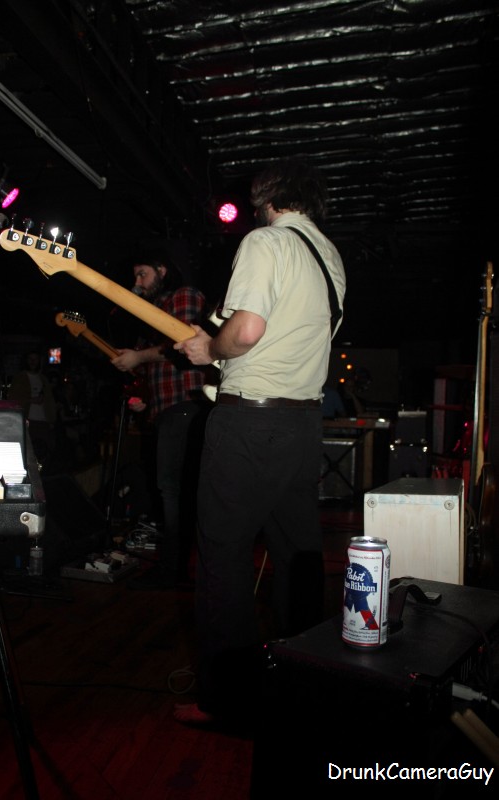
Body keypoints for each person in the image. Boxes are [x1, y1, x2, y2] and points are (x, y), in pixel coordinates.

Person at [172, 158, 346, 725]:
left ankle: (231, 700)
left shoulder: (266, 241)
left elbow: (246, 331)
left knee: (222, 556)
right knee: (298, 556)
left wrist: (209, 349)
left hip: (250, 422)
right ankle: (305, 683)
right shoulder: (330, 257)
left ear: (266, 195)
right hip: (303, 424)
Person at [111, 249, 208, 589]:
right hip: (169, 407)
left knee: (173, 490)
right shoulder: (156, 310)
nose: (137, 281)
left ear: (162, 270)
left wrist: (139, 357)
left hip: (186, 405)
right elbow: (161, 364)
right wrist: (146, 400)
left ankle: (175, 568)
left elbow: (184, 343)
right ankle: (177, 566)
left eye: (143, 274)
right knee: (171, 489)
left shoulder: (183, 295)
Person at [7, 350, 58, 467]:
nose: (33, 362)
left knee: (45, 452)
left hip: (43, 421)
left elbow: (49, 400)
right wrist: (31, 400)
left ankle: (43, 474)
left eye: (35, 359)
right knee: (27, 452)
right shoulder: (20, 378)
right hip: (27, 420)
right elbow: (13, 398)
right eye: (30, 359)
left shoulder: (43, 379)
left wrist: (51, 419)